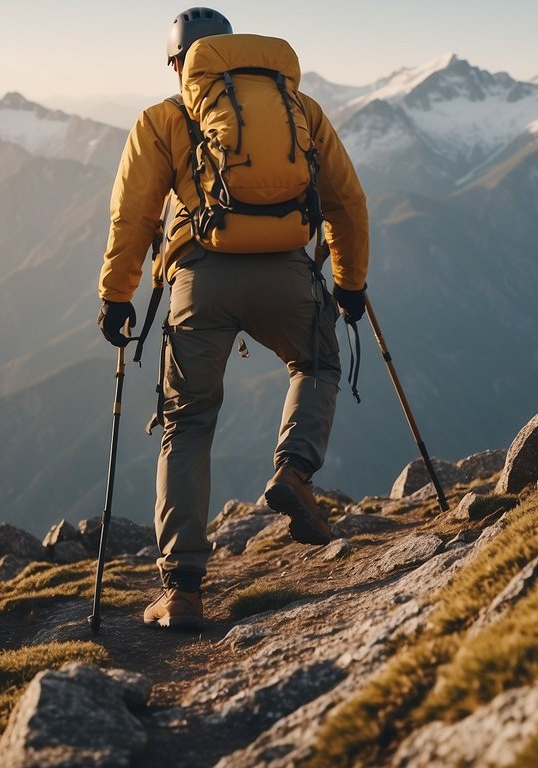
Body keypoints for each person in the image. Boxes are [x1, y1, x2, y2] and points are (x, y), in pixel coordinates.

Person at [97, 7, 369, 629]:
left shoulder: (164, 119)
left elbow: (133, 215)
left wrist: (118, 295)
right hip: (287, 274)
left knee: (187, 424)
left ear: (180, 63)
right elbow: (346, 201)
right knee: (320, 361)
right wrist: (349, 283)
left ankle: (184, 590)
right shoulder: (300, 110)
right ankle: (296, 472)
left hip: (201, 278)